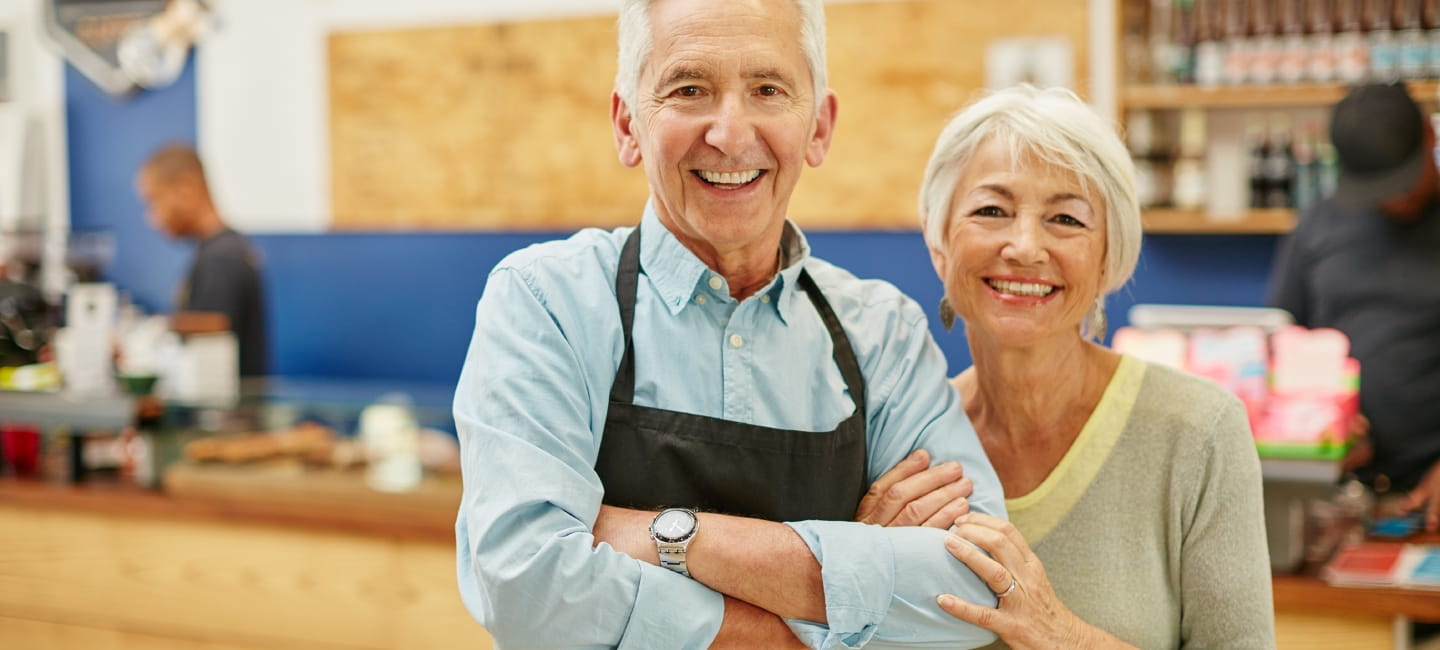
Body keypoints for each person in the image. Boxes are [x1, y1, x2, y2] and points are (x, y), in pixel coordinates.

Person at [454, 0, 1011, 648]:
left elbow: (977, 584)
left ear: (819, 127)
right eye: (689, 89)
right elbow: (528, 589)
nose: (730, 132)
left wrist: (671, 537)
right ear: (628, 124)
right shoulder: (547, 303)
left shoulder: (883, 334)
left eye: (767, 90)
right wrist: (841, 590)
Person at [913, 86, 1274, 648]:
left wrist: (1059, 634)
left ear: (1109, 257)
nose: (1026, 246)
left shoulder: (1199, 432)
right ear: (939, 242)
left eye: (1066, 219)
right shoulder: (906, 442)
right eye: (991, 210)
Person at [1268, 81, 1440, 532]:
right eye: (1380, 188)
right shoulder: (1317, 228)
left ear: (1430, 136)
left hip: (1429, 498)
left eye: (1403, 182)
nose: (1395, 197)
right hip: (1338, 498)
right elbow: (1281, 345)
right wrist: (1319, 416)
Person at [134, 143, 268, 378]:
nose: (151, 219)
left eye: (154, 200)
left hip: (229, 412)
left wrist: (149, 330)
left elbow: (214, 323)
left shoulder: (222, 256)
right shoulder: (218, 250)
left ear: (186, 187)